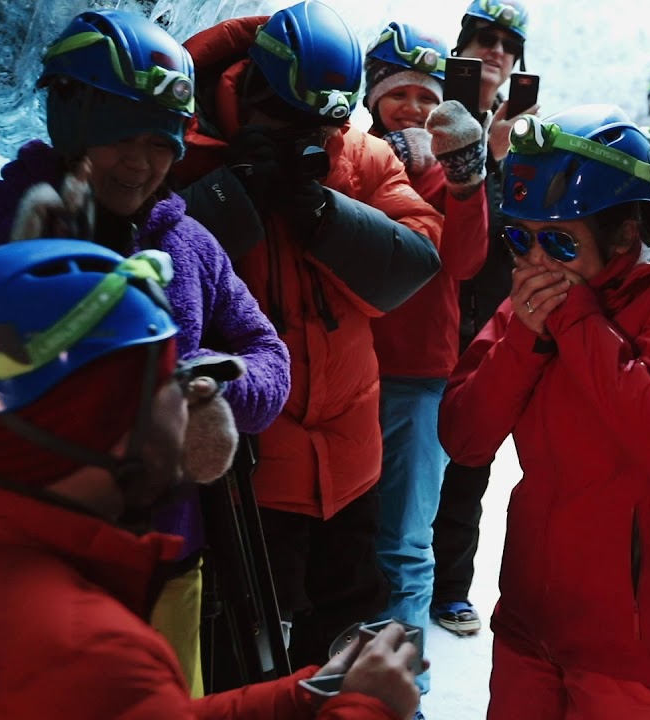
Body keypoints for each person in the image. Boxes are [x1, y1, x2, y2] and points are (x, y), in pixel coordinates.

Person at [0, 9, 293, 698]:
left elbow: (267, 355)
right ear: (71, 121)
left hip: (162, 568)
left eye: (161, 142)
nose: (142, 162)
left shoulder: (188, 245)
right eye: (120, 135)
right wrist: (23, 317)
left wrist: (211, 387)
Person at [0, 240, 424, 720]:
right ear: (102, 422)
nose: (192, 398)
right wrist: (364, 710)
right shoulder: (87, 646)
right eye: (165, 382)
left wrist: (305, 694)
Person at [168, 0, 443, 671]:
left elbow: (417, 256)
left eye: (322, 126)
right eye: (291, 123)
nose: (307, 139)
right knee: (242, 655)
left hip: (350, 461)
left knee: (342, 648)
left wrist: (323, 212)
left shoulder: (361, 155)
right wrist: (234, 190)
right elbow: (159, 271)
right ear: (254, 92)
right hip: (246, 468)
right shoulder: (186, 149)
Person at [439, 104, 650, 719]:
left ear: (625, 232)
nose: (536, 258)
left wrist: (574, 321)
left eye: (560, 240)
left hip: (627, 634)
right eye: (520, 236)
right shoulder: (529, 307)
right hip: (530, 613)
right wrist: (526, 338)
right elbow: (464, 437)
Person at [362, 21, 490, 700]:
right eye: (397, 94)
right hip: (351, 372)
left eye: (423, 96)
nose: (411, 108)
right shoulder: (348, 157)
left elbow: (466, 261)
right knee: (355, 545)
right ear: (370, 98)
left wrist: (465, 178)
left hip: (418, 377)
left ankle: (401, 694)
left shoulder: (450, 170)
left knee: (408, 547)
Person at [430, 0, 537, 639]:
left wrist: (505, 160)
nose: (495, 51)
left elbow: (524, 227)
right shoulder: (423, 110)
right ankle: (401, 583)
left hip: (489, 320)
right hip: (425, 313)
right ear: (462, 44)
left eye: (507, 43)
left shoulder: (522, 130)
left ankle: (448, 590)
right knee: (406, 460)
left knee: (471, 461)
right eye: (483, 38)